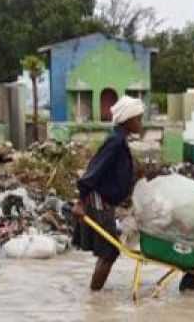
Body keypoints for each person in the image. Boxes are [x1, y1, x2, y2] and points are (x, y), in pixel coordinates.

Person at [72, 95, 145, 291]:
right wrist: (80, 202)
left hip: (106, 201)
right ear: (127, 120)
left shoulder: (119, 140)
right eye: (138, 118)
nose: (140, 123)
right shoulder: (115, 142)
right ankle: (94, 301)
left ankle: (94, 296)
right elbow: (93, 171)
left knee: (107, 252)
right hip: (98, 201)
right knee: (110, 252)